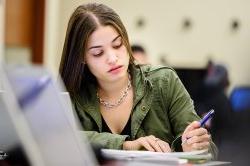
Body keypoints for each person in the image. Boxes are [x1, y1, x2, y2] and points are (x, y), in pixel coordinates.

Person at [59, 3, 217, 157]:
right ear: (81, 58)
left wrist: (193, 148)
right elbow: (59, 141)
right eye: (98, 53)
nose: (113, 58)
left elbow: (209, 150)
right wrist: (126, 145)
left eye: (117, 45)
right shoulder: (72, 94)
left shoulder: (164, 81)